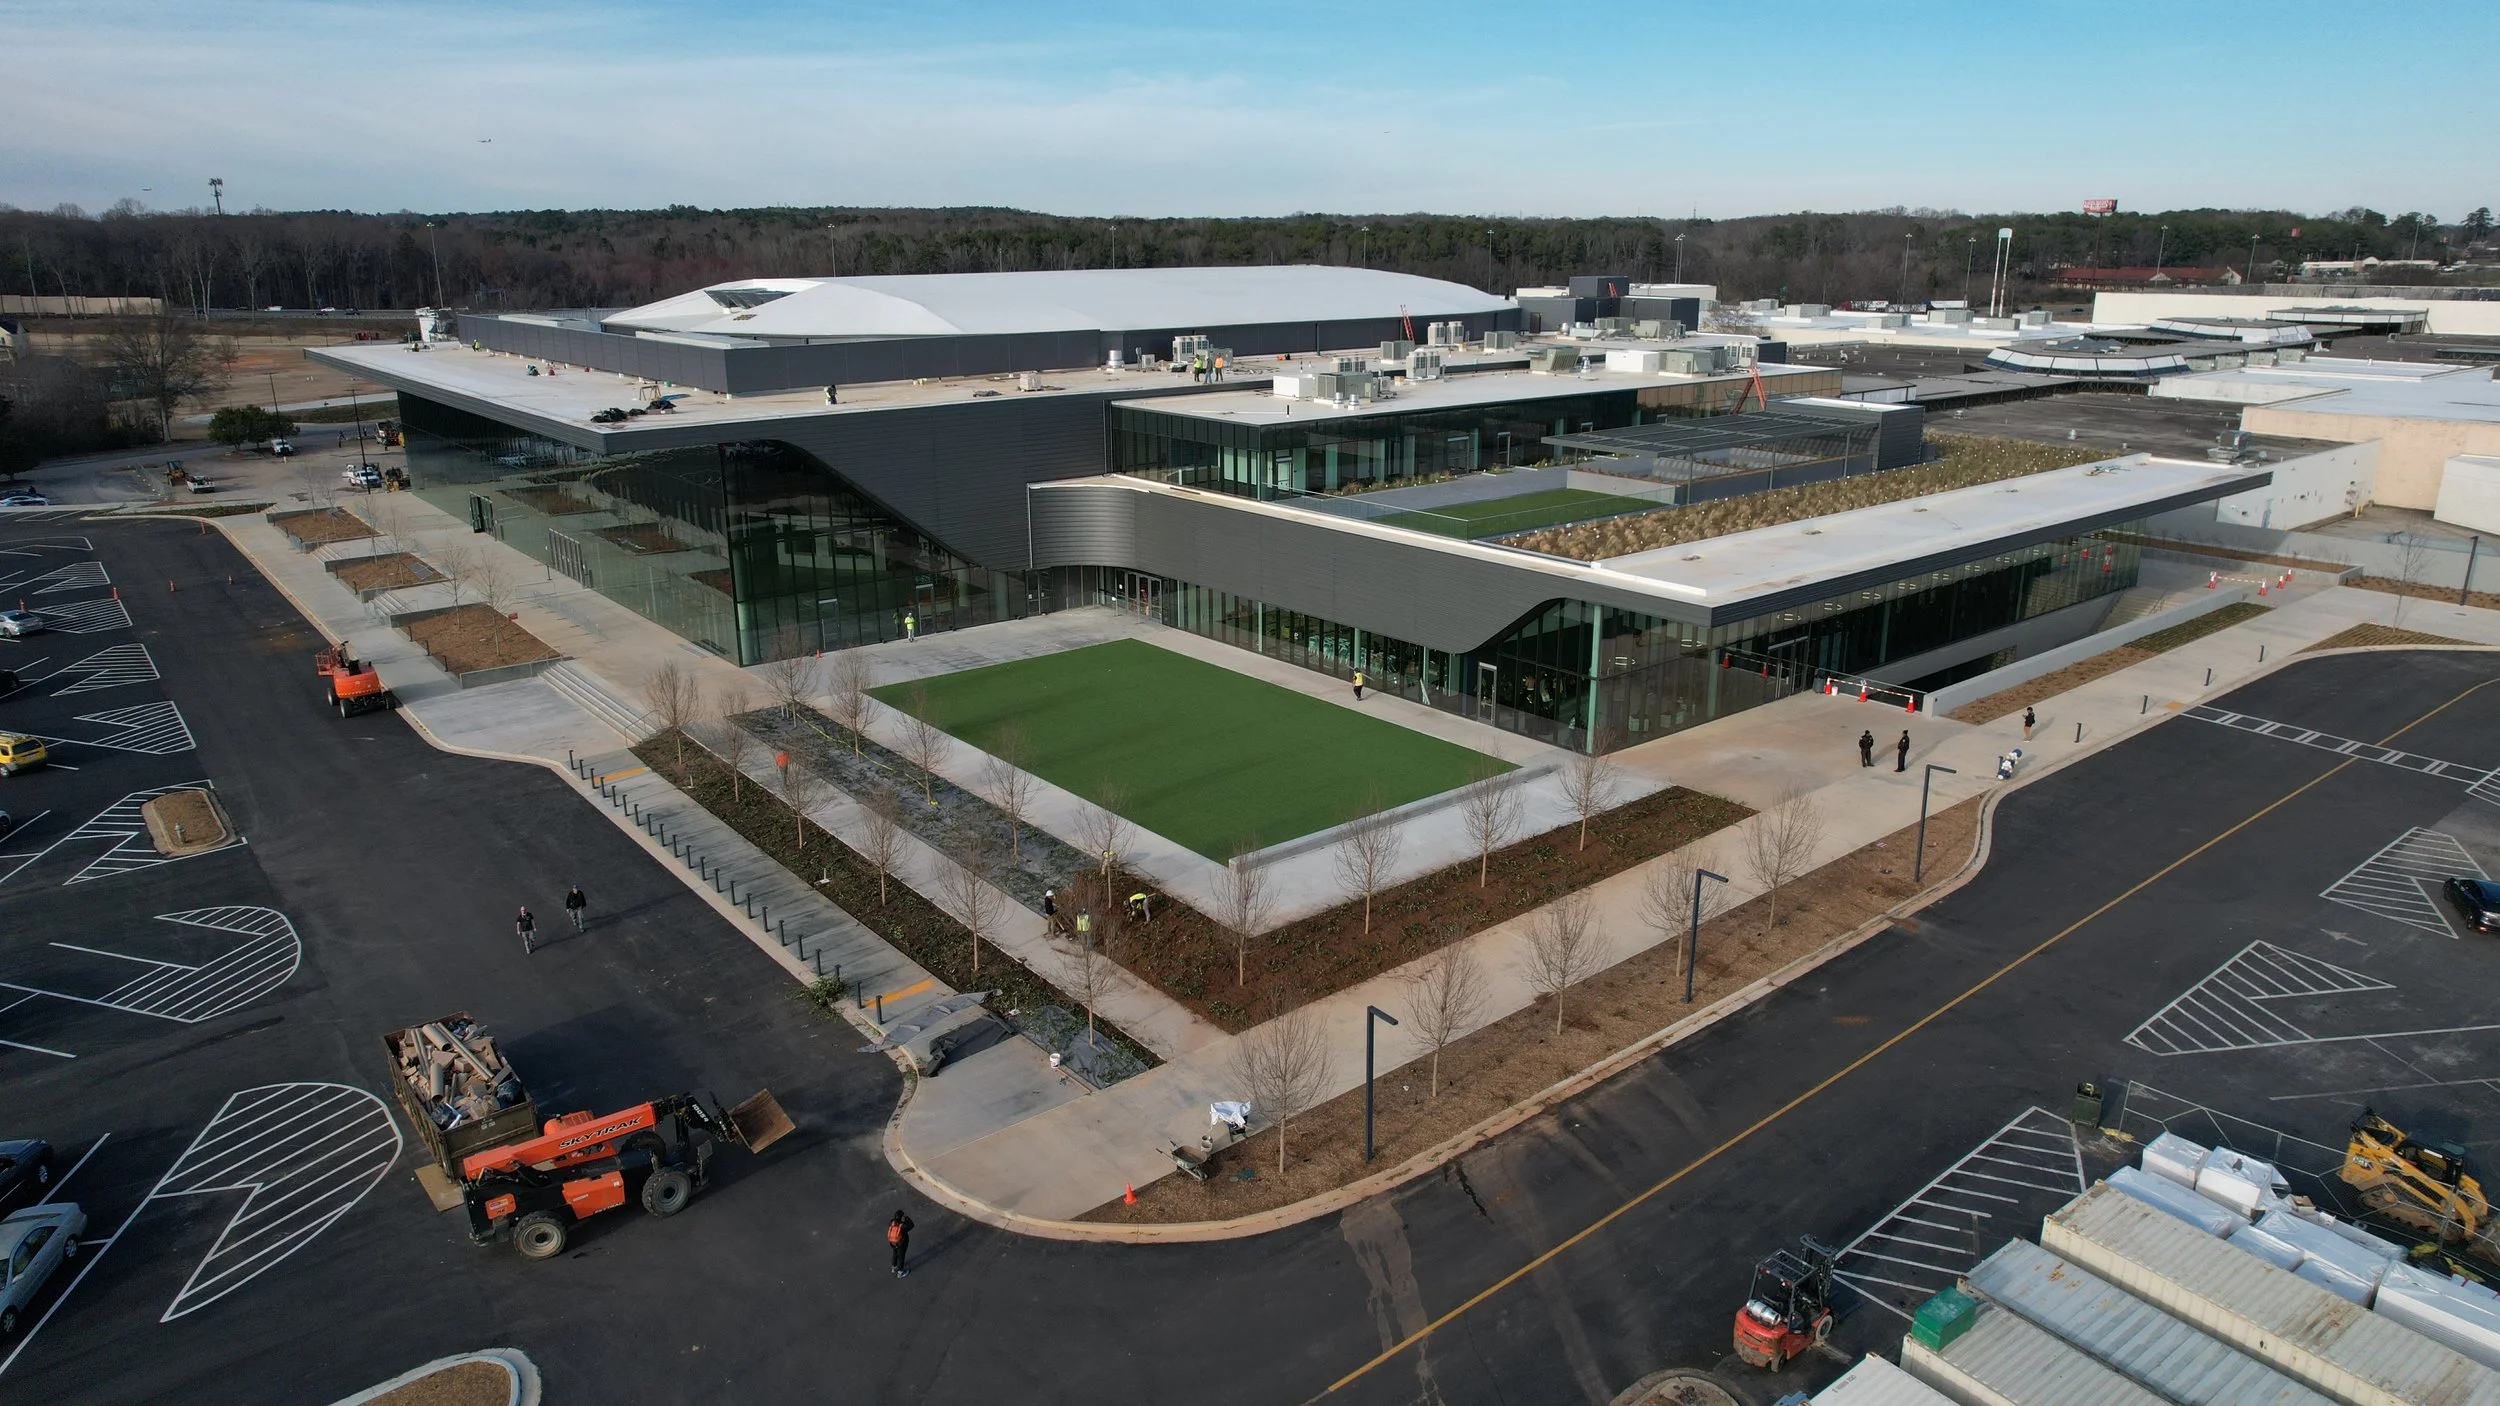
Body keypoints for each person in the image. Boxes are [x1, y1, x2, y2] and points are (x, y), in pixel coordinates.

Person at [887, 1209, 914, 1278]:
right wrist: (907, 1218)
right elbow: (911, 1225)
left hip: (893, 1242)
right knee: (901, 1257)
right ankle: (900, 1272)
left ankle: (894, 1267)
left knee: (895, 1254)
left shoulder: (891, 1222)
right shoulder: (902, 1226)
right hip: (901, 1243)